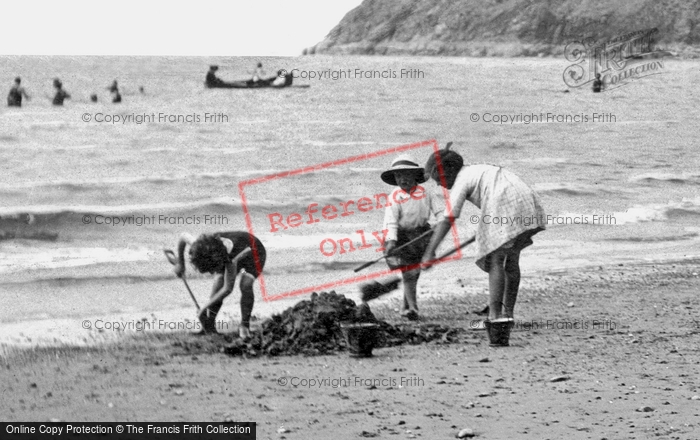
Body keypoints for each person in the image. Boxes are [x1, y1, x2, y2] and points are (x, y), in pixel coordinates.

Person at [421, 147, 545, 328]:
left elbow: (448, 218)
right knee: (511, 260)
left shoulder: (461, 180)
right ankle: (507, 315)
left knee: (495, 260)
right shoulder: (476, 170)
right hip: (524, 197)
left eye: (439, 180)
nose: (439, 185)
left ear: (447, 172)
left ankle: (494, 317)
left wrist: (429, 253)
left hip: (504, 200)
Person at [380, 155, 445, 320]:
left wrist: (440, 222)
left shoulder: (426, 193)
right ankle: (413, 308)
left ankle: (405, 306)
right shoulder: (394, 196)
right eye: (398, 176)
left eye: (407, 175)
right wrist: (391, 242)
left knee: (414, 273)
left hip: (421, 235)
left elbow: (440, 212)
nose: (403, 179)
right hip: (399, 236)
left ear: (415, 175)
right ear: (394, 179)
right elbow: (391, 222)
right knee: (409, 272)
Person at [173, 231, 266, 338]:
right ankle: (209, 327)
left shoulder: (230, 258)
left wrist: (203, 309)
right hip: (223, 254)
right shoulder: (201, 247)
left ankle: (244, 325)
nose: (212, 273)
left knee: (245, 285)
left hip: (254, 253)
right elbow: (183, 236)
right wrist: (181, 264)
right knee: (217, 286)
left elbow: (227, 288)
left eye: (212, 270)